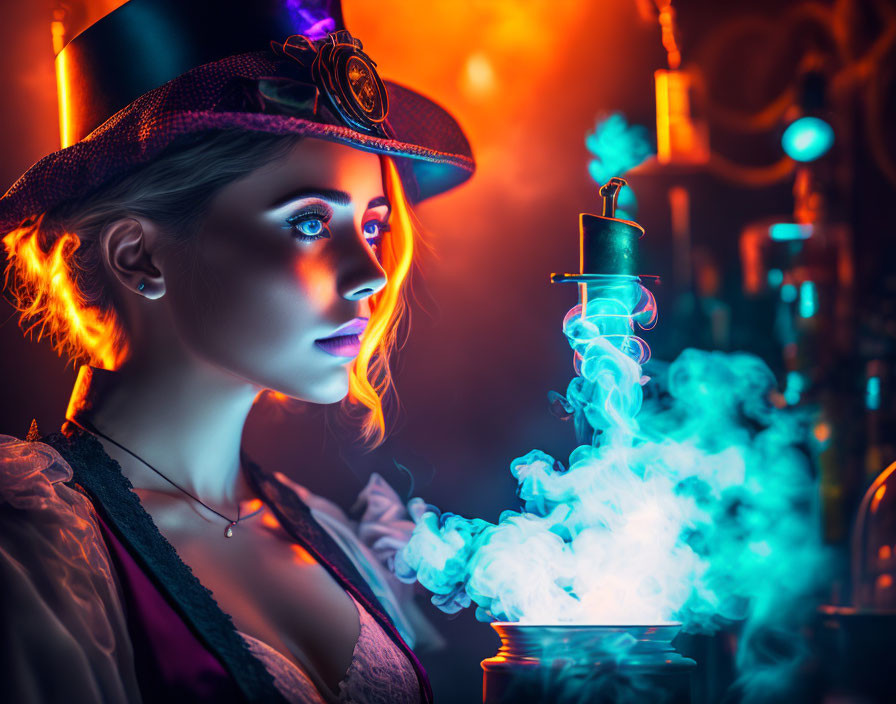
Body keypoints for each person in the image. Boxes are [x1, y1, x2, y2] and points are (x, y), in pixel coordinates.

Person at [0, 1, 474, 702]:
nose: (373, 271)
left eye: (373, 227)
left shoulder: (336, 540)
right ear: (139, 256)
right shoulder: (32, 557)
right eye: (311, 221)